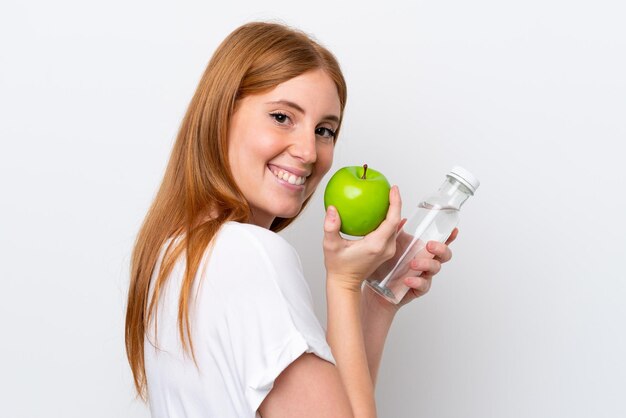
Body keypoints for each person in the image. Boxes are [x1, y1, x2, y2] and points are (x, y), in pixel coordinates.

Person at [125, 21, 458, 418]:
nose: (308, 151)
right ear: (220, 116)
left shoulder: (176, 253)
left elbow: (336, 403)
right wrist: (343, 283)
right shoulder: (249, 254)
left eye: (324, 130)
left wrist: (377, 299)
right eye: (282, 117)